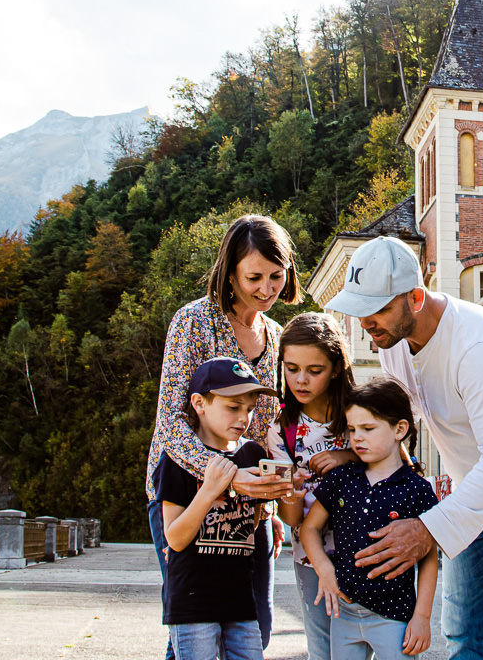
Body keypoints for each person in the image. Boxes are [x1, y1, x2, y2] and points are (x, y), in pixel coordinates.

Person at [324, 236, 483, 660]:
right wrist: (350, 455)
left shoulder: (480, 348)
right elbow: (398, 429)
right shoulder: (393, 345)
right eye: (361, 309)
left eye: (380, 309)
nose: (368, 322)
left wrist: (428, 529)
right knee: (464, 635)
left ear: (416, 297)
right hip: (473, 484)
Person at [146, 214, 298, 648]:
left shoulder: (275, 334)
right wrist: (228, 476)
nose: (267, 289)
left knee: (255, 630)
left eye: (276, 275)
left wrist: (269, 496)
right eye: (254, 277)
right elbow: (172, 424)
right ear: (229, 273)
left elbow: (265, 426)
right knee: (194, 631)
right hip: (185, 499)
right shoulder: (193, 321)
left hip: (249, 507)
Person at [299, 378, 440, 660]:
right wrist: (325, 572)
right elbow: (310, 528)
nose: (357, 438)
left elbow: (428, 558)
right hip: (345, 614)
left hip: (394, 616)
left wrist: (422, 617)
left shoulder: (417, 489)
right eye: (352, 429)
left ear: (400, 429)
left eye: (368, 428)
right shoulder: (341, 479)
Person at [157, 357, 278, 660]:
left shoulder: (251, 453)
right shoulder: (177, 460)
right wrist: (211, 489)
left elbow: (253, 519)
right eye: (233, 407)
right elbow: (175, 537)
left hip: (240, 600)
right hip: (192, 604)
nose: (244, 418)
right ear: (199, 403)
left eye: (249, 409)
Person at [270, 313, 359, 660]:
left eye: (314, 370)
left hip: (367, 551)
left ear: (336, 367)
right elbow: (291, 518)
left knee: (366, 646)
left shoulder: (361, 413)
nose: (301, 380)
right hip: (310, 557)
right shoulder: (282, 429)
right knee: (322, 650)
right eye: (291, 368)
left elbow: (400, 469)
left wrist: (348, 456)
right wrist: (289, 491)